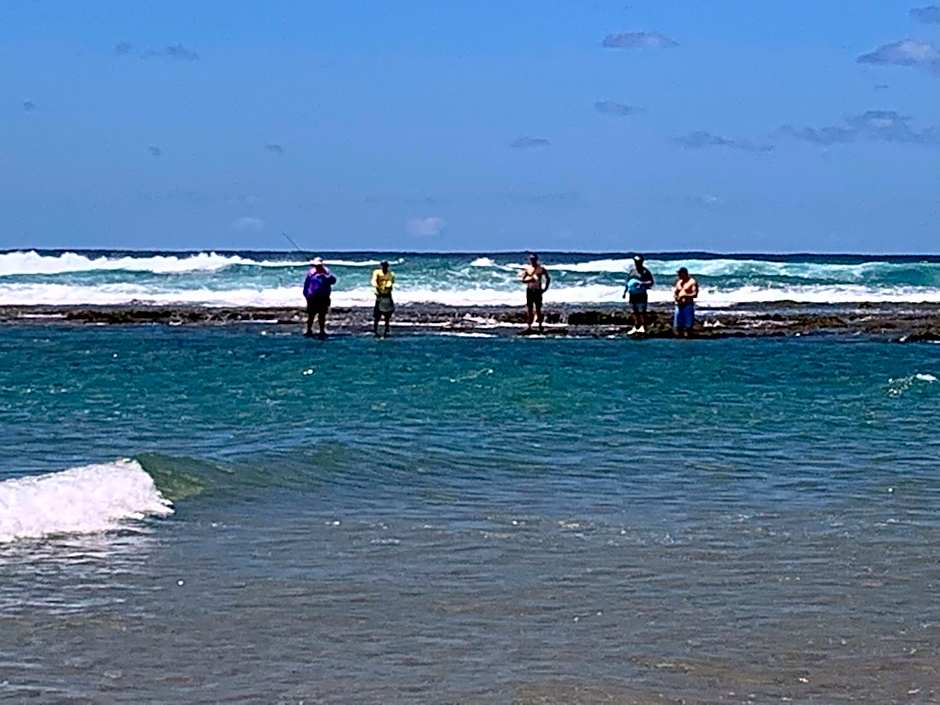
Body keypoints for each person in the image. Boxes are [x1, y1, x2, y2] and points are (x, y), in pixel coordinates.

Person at [302, 257, 336, 338]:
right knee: (311, 315)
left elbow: (333, 281)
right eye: (316, 266)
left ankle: (322, 330)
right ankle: (309, 330)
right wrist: (306, 294)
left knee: (322, 315)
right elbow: (306, 284)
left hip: (323, 297)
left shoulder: (326, 272)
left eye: (319, 266)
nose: (318, 267)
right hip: (312, 297)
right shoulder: (311, 273)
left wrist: (326, 277)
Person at [622, 254, 654, 335]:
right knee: (634, 311)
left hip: (641, 293)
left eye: (639, 262)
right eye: (636, 262)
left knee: (642, 311)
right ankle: (636, 326)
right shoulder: (632, 271)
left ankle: (643, 326)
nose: (637, 263)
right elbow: (628, 282)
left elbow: (651, 282)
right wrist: (625, 292)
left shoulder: (645, 271)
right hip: (632, 294)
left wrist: (642, 284)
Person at [520, 253, 551, 332]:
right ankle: (529, 326)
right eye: (531, 259)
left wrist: (545, 288)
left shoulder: (541, 268)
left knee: (538, 308)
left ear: (536, 259)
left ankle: (540, 325)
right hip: (530, 290)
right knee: (529, 309)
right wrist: (530, 280)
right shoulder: (528, 269)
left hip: (537, 290)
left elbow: (548, 278)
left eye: (533, 259)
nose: (532, 261)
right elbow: (523, 280)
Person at [371, 260, 396, 337]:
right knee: (377, 314)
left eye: (385, 266)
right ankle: (375, 329)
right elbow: (373, 280)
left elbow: (390, 282)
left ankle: (386, 329)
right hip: (379, 296)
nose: (384, 267)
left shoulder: (391, 274)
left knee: (388, 314)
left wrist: (387, 286)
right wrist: (376, 286)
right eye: (383, 265)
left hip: (387, 295)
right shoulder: (377, 272)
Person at [673, 266, 699, 338]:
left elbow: (695, 294)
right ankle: (679, 338)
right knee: (678, 325)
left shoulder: (692, 282)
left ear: (684, 274)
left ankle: (688, 338)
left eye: (680, 274)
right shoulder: (679, 282)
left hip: (687, 305)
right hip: (679, 305)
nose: (678, 276)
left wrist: (685, 295)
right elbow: (676, 292)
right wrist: (676, 296)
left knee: (688, 325)